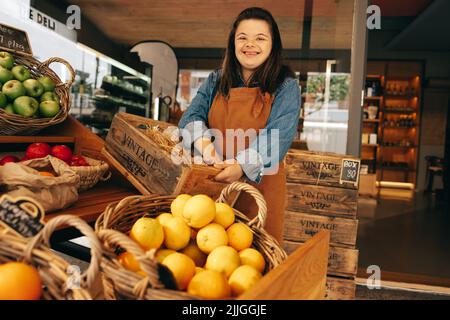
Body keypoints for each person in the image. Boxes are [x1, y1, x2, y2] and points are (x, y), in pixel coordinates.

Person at [178, 7, 301, 242]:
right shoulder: (215, 80)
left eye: (260, 38)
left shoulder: (286, 87)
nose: (250, 44)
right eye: (242, 37)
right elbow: (190, 117)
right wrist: (208, 151)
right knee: (208, 253)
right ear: (233, 43)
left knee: (254, 260)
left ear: (273, 45)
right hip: (212, 189)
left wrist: (240, 166)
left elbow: (278, 136)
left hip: (261, 192)